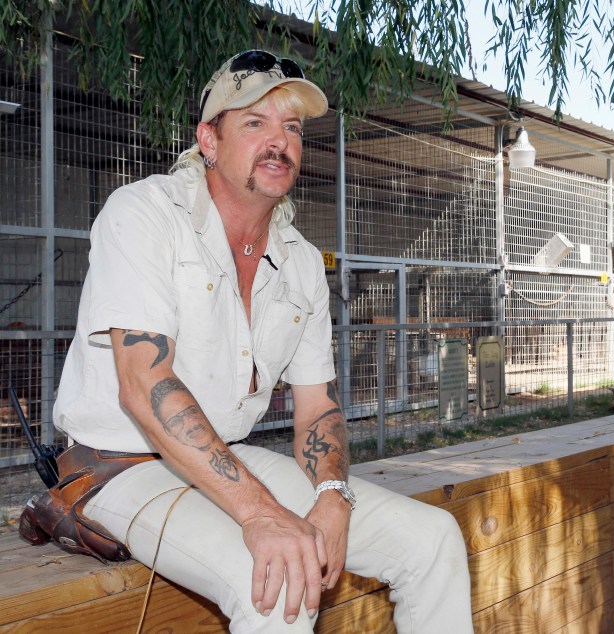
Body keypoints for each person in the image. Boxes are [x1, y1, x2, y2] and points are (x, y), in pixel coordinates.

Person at [53, 50, 474, 633]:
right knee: (278, 586)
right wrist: (261, 516)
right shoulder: (145, 213)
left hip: (227, 454)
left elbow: (318, 406)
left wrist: (330, 494)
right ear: (208, 138)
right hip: (120, 467)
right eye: (255, 123)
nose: (279, 141)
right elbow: (143, 384)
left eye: (293, 128)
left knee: (433, 540)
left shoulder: (300, 261)